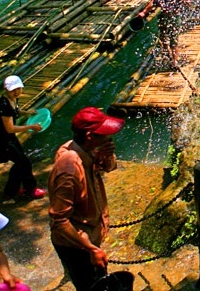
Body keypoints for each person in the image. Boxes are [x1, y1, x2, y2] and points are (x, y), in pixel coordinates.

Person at [49, 106, 125, 291]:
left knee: (100, 281)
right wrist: (91, 249)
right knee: (89, 286)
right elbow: (59, 220)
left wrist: (104, 157)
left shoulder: (87, 150)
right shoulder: (68, 168)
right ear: (90, 136)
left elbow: (110, 167)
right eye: (104, 135)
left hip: (90, 235)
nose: (109, 138)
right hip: (77, 245)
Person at [0, 75, 45, 200]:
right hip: (2, 140)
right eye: (13, 90)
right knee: (24, 162)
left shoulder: (12, 100)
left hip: (8, 138)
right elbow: (10, 128)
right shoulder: (4, 106)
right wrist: (30, 127)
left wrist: (26, 112)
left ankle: (12, 190)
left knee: (21, 162)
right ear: (6, 90)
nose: (16, 92)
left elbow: (15, 111)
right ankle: (30, 190)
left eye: (18, 89)